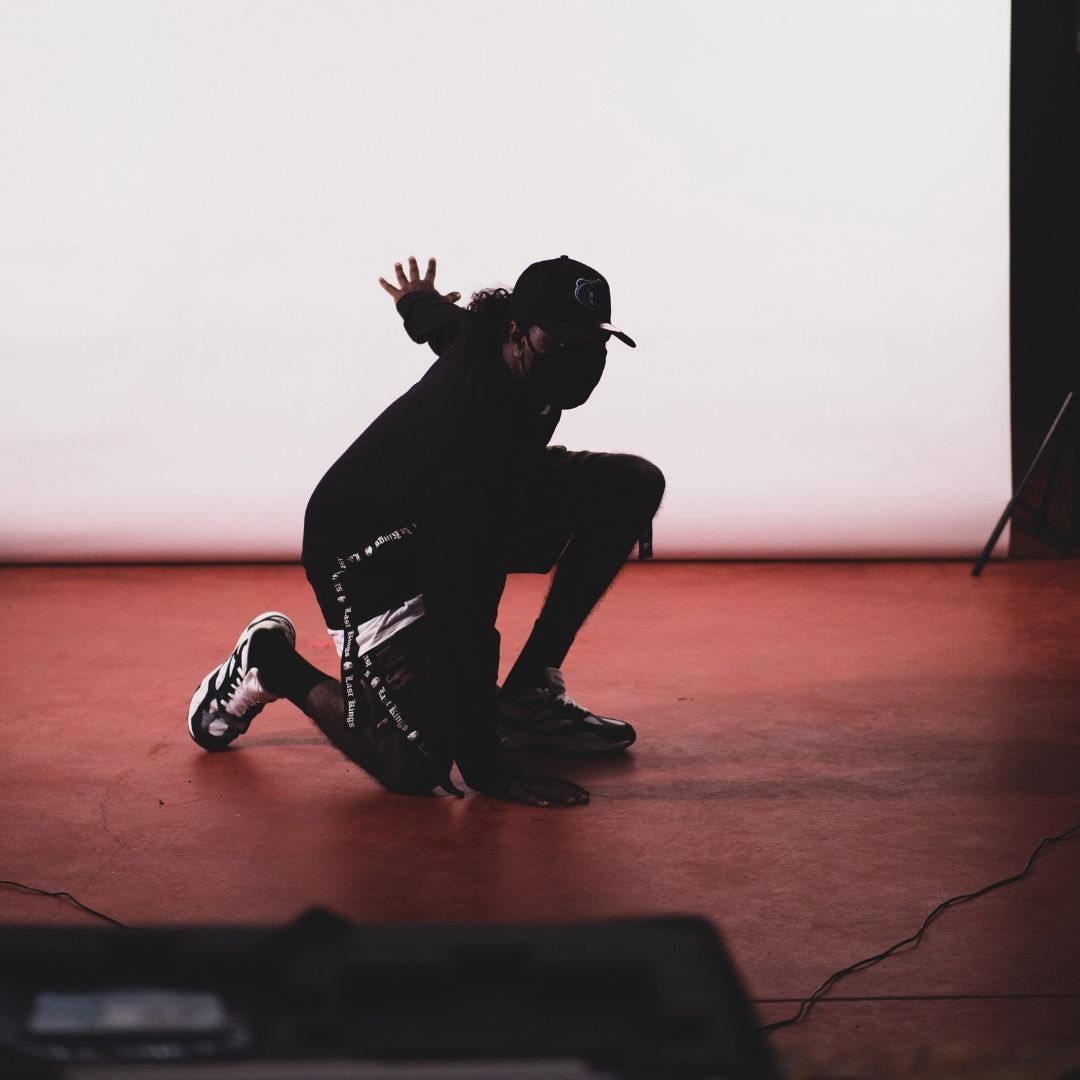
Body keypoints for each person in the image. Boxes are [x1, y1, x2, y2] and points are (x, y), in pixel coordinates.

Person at [187, 255, 665, 807]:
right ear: (517, 335)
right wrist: (488, 770)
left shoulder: (501, 346)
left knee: (629, 484)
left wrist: (416, 302)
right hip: (365, 556)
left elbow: (448, 327)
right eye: (561, 343)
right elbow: (465, 619)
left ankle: (528, 697)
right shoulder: (463, 451)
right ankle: (270, 661)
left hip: (464, 504)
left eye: (593, 345)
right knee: (414, 764)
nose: (580, 359)